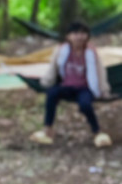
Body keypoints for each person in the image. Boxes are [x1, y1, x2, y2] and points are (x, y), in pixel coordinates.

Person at [29, 20, 112, 148]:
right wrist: (45, 82)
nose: (79, 36)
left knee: (85, 105)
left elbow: (100, 72)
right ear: (68, 36)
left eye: (83, 33)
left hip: (85, 88)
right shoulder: (62, 50)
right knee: (51, 94)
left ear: (87, 36)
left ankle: (97, 132)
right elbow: (53, 68)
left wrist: (104, 90)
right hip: (66, 87)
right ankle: (48, 130)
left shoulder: (91, 52)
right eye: (76, 33)